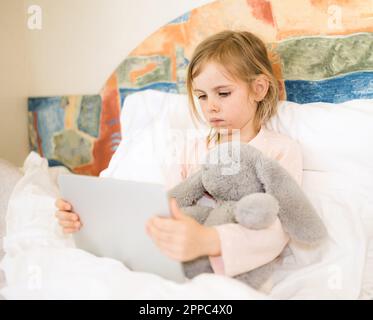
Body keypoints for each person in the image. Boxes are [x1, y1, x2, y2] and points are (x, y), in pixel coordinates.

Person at [55, 30, 303, 292]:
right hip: (179, 269)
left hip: (240, 279)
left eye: (223, 93)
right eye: (202, 96)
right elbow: (166, 207)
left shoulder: (280, 151)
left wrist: (210, 240)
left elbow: (278, 230)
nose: (210, 107)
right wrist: (89, 219)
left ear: (258, 88)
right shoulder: (193, 149)